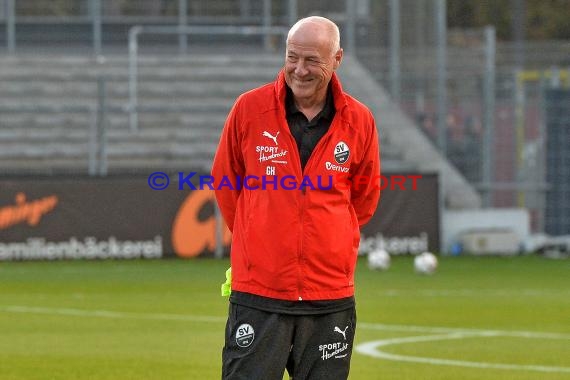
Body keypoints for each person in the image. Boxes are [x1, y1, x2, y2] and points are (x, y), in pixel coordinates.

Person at [212, 16, 381, 380]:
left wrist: (327, 236)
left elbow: (364, 199)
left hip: (329, 295)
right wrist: (255, 235)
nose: (299, 70)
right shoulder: (249, 110)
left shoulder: (360, 121)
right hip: (260, 292)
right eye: (292, 58)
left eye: (311, 60)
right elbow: (226, 183)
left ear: (336, 59)